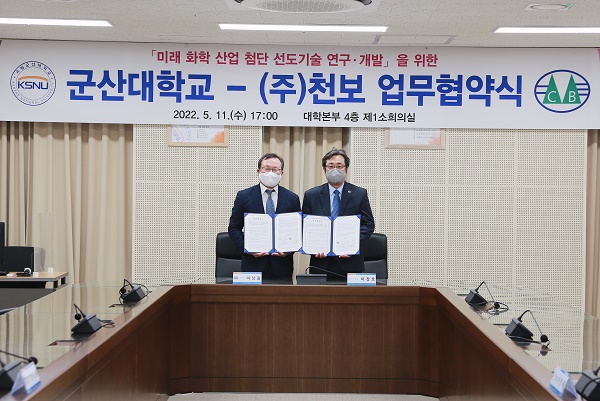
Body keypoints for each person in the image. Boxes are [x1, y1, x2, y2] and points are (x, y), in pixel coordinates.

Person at [302, 147, 375, 279]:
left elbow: (368, 224)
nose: (335, 170)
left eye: (339, 166)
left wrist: (352, 246)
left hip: (351, 263)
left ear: (346, 169)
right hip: (320, 263)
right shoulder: (311, 195)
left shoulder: (359, 194)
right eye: (331, 166)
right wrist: (314, 247)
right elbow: (305, 226)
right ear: (324, 169)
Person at [228, 153, 301, 280]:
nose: (270, 173)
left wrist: (289, 250)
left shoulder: (292, 198)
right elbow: (234, 228)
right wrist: (248, 249)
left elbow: (298, 230)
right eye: (266, 169)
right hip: (252, 265)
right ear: (258, 171)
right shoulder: (243, 196)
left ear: (281, 173)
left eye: (275, 169)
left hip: (282, 266)